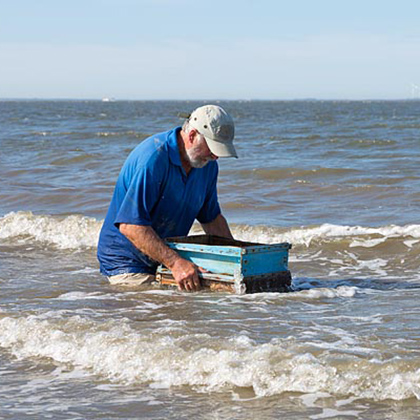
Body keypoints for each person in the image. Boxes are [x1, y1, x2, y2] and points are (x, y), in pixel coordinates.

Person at [97, 104, 238, 292]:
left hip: (164, 258)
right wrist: (176, 263)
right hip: (126, 262)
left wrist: (236, 259)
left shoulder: (208, 165)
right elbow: (130, 226)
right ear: (192, 135)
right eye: (212, 148)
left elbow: (211, 219)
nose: (215, 156)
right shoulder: (153, 158)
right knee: (169, 309)